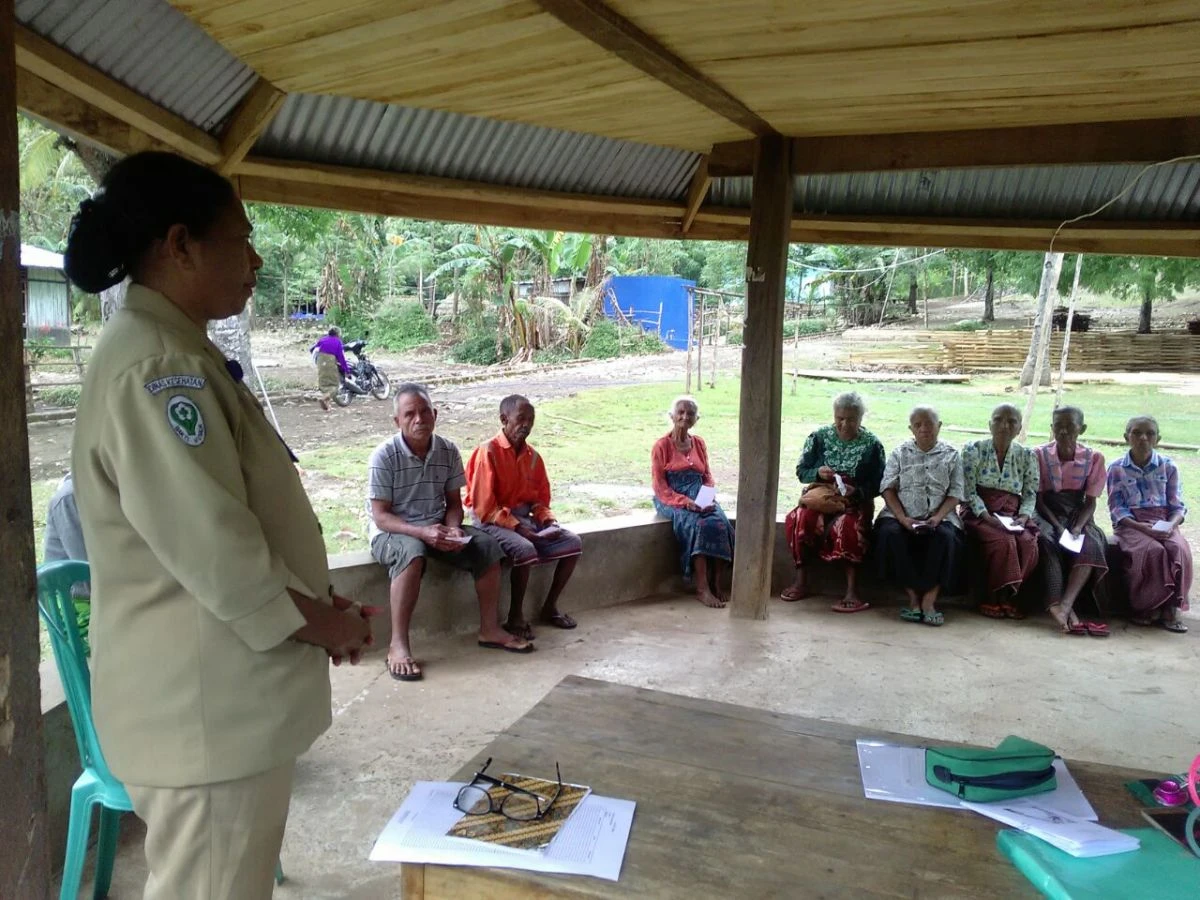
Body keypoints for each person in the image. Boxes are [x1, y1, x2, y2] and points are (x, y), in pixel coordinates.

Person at [65, 151, 374, 900]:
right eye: (240, 238)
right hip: (203, 714)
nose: (256, 259)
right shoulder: (156, 367)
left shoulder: (174, 349)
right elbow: (218, 552)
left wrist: (313, 614)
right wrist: (323, 626)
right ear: (179, 245)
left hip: (214, 705)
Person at [369, 383, 532, 681]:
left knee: (487, 546)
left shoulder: (447, 450)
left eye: (424, 412)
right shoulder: (384, 456)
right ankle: (398, 645)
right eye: (409, 414)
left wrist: (454, 529)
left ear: (435, 414)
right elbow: (381, 517)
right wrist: (421, 533)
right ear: (397, 421)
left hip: (438, 526)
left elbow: (454, 504)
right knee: (413, 553)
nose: (418, 419)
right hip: (394, 531)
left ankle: (489, 629)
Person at [465, 394, 582, 640]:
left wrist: (548, 521)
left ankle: (549, 607)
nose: (526, 425)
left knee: (573, 543)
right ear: (504, 419)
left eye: (530, 419)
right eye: (520, 419)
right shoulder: (488, 452)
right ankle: (515, 616)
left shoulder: (534, 457)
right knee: (526, 549)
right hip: (490, 521)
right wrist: (520, 528)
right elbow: (484, 508)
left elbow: (539, 501)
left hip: (522, 520)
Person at [783, 391, 885, 613]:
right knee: (801, 517)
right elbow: (802, 471)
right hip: (822, 496)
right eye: (840, 418)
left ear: (861, 419)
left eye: (851, 419)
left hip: (854, 501)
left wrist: (856, 491)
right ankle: (801, 580)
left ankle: (851, 591)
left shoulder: (872, 445)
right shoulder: (818, 438)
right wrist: (818, 473)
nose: (844, 424)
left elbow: (880, 483)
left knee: (848, 526)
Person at [873, 406, 966, 626]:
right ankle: (913, 598)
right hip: (900, 515)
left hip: (940, 515)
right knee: (890, 534)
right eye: (917, 424)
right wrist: (903, 518)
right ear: (911, 428)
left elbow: (956, 493)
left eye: (929, 423)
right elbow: (887, 488)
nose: (924, 428)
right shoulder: (900, 453)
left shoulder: (952, 455)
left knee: (947, 538)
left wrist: (937, 516)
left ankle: (930, 600)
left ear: (939, 426)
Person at [1107, 416, 1192, 633]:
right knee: (1152, 551)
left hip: (1164, 521)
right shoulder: (1116, 468)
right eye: (1136, 433)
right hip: (1131, 525)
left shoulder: (1168, 466)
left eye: (1150, 433)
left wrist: (1171, 525)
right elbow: (1117, 508)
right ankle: (1147, 606)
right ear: (1126, 437)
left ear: (1158, 439)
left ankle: (1171, 608)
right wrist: (1142, 528)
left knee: (1178, 548)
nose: (1143, 438)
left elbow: (1177, 506)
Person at [1033, 407, 1111, 637]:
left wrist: (1076, 527)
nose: (1064, 431)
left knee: (1091, 543)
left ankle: (1067, 604)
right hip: (1047, 512)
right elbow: (1038, 500)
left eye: (1070, 426)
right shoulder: (1039, 455)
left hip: (1078, 513)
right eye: (1058, 426)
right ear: (1052, 428)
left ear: (1082, 429)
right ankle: (1055, 602)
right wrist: (1057, 525)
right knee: (1047, 540)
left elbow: (1090, 501)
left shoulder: (1093, 457)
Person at [651, 396, 735, 608]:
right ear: (672, 416)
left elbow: (707, 475)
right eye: (680, 412)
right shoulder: (661, 446)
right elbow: (660, 486)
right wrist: (685, 501)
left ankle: (717, 582)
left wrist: (708, 496)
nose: (684, 416)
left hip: (700, 496)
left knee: (720, 523)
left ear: (696, 419)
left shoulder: (699, 443)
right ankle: (702, 587)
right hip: (672, 498)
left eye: (690, 413)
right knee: (699, 525)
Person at [960, 403, 1040, 619]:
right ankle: (993, 596)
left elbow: (1031, 493)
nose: (1004, 426)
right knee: (1004, 541)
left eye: (1012, 421)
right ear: (989, 424)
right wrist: (987, 517)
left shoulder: (1027, 455)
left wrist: (1023, 517)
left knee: (1027, 541)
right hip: (979, 513)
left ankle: (1012, 595)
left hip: (1013, 514)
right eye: (998, 420)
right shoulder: (973, 450)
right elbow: (968, 491)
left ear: (1019, 427)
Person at [310, 326, 348, 411]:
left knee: (324, 383)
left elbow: (312, 349)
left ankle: (327, 406)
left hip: (320, 361)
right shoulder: (338, 342)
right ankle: (324, 398)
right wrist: (346, 369)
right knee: (334, 384)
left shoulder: (322, 339)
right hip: (330, 361)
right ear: (338, 334)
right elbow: (341, 357)